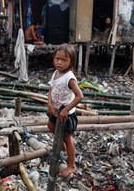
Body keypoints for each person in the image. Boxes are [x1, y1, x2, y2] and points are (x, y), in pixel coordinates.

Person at [47, 44, 84, 178]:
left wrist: (66, 110)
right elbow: (51, 89)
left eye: (64, 60)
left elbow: (80, 96)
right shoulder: (56, 73)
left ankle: (72, 165)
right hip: (56, 111)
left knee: (67, 138)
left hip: (66, 115)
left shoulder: (69, 77)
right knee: (50, 126)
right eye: (57, 59)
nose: (59, 62)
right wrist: (49, 104)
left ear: (71, 62)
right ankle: (61, 146)